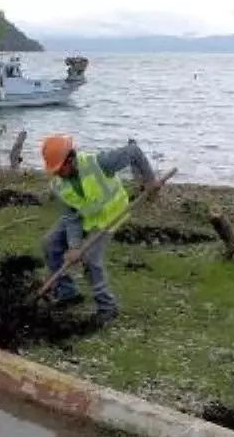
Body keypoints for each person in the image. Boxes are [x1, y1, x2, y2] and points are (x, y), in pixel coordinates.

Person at [39, 134, 162, 326]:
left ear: (70, 159)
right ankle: (67, 292)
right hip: (83, 216)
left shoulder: (100, 162)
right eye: (54, 170)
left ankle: (107, 307)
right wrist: (74, 246)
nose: (57, 174)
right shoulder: (58, 185)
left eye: (59, 168)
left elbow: (134, 151)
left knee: (91, 259)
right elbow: (71, 217)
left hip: (109, 215)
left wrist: (149, 180)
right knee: (49, 243)